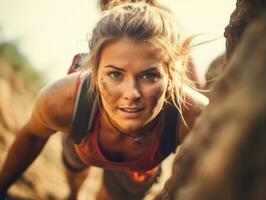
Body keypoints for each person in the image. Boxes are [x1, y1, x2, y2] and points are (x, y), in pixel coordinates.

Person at [0, 1, 208, 200]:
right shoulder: (63, 100)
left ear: (172, 78)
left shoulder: (193, 117)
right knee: (74, 163)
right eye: (116, 75)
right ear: (94, 72)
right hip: (84, 134)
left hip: (141, 166)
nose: (131, 93)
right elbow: (33, 136)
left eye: (149, 76)